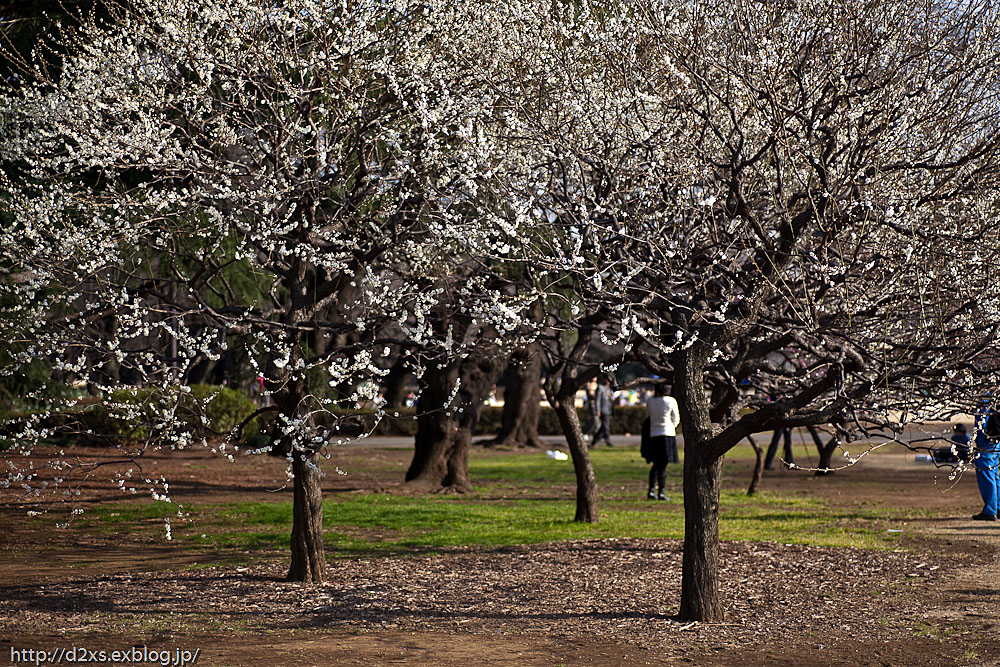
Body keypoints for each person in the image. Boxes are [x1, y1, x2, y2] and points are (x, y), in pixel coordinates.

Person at [641, 384, 680, 500]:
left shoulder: (650, 401)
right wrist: (672, 426)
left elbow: (649, 416)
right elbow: (676, 418)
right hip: (667, 434)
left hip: (654, 434)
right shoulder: (671, 401)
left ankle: (652, 490)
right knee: (662, 465)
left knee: (656, 464)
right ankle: (661, 491)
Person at [972, 409, 1000, 521]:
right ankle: (997, 507)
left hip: (987, 442)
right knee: (994, 474)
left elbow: (981, 424)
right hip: (996, 442)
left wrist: (979, 442)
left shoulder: (985, 401)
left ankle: (990, 510)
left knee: (986, 475)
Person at [592, 377, 615, 447]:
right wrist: (598, 410)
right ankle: (608, 440)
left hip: (608, 410)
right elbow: (598, 400)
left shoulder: (609, 389)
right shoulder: (600, 388)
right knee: (606, 426)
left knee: (603, 427)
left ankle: (594, 441)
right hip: (603, 410)